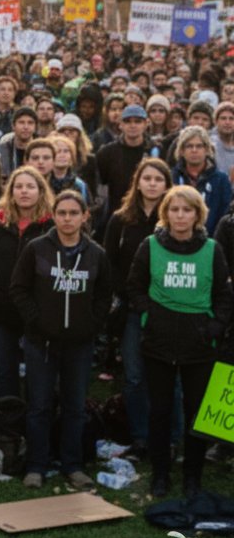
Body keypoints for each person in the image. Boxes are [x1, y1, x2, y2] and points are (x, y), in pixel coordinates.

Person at [127, 186, 233, 498]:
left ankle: (192, 476)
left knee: (196, 413)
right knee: (159, 412)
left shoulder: (212, 249)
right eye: (174, 210)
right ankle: (160, 474)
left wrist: (212, 329)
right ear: (166, 213)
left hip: (198, 347)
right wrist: (150, 316)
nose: (180, 216)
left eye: (187, 210)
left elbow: (224, 296)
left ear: (198, 214)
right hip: (158, 344)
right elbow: (134, 287)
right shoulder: (150, 246)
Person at [10, 190, 111, 490]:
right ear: (53, 215)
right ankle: (37, 466)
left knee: (74, 406)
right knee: (39, 405)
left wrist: (92, 324)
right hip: (41, 343)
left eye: (73, 213)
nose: (67, 219)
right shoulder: (36, 249)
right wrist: (37, 320)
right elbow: (18, 288)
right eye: (62, 213)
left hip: (79, 344)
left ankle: (73, 465)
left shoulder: (96, 254)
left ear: (84, 216)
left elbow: (106, 294)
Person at [103, 157, 172, 458]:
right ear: (137, 182)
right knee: (133, 376)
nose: (153, 183)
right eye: (148, 178)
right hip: (131, 308)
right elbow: (108, 262)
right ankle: (141, 436)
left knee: (168, 375)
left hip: (167, 309)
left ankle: (170, 437)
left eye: (159, 179)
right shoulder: (120, 219)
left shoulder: (175, 216)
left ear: (167, 184)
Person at [0, 166, 54, 399]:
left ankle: (35, 423)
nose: (24, 192)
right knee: (4, 370)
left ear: (41, 191)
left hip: (37, 312)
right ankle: (6, 426)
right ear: (10, 192)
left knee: (38, 373)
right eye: (19, 187)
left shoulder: (51, 226)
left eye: (30, 187)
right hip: (1, 309)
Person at [170, 125, 231, 236]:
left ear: (207, 150)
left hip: (211, 241)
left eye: (199, 146)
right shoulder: (171, 177)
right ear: (182, 150)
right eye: (189, 146)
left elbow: (224, 215)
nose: (194, 150)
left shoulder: (221, 180)